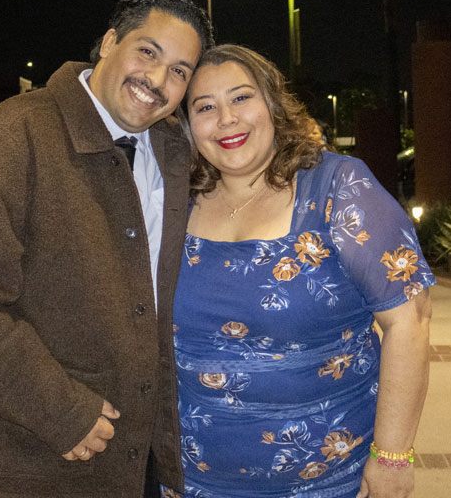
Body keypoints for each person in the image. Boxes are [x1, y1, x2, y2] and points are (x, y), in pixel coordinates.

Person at [0, 0, 213, 498]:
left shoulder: (173, 148)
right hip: (18, 463)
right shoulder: (13, 134)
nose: (157, 80)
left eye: (180, 71)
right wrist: (58, 408)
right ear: (108, 43)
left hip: (135, 459)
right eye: (148, 51)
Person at [163, 45, 434, 498]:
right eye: (205, 107)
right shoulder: (176, 200)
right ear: (189, 126)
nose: (226, 119)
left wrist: (392, 457)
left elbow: (410, 321)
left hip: (327, 480)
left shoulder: (338, 188)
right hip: (192, 480)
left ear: (273, 105)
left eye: (241, 98)